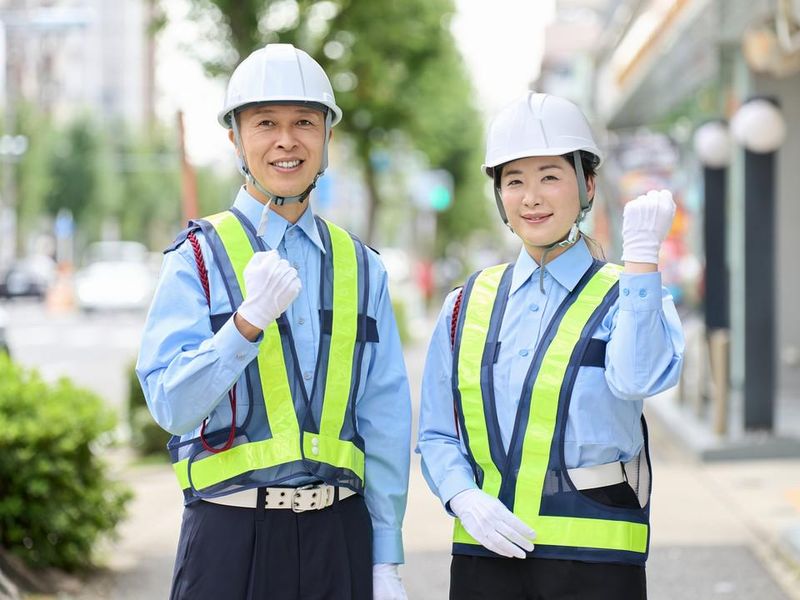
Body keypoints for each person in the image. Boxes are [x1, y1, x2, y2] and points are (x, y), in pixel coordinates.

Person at [137, 43, 410, 600]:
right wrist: (243, 327)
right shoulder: (196, 259)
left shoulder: (362, 267)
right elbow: (170, 406)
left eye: (304, 122)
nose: (287, 141)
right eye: (265, 123)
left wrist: (386, 558)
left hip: (339, 534)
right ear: (236, 138)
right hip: (227, 537)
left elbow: (384, 421)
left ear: (327, 136)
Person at [416, 91, 685, 599]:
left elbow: (637, 379)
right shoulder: (465, 305)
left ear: (587, 185)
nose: (531, 197)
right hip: (485, 553)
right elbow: (436, 432)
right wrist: (461, 495)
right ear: (499, 195)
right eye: (514, 181)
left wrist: (643, 262)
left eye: (549, 177)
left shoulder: (628, 295)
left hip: (598, 564)